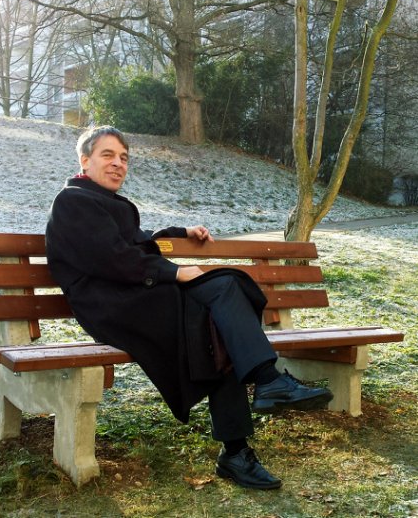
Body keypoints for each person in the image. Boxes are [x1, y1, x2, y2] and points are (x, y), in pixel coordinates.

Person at [46, 125, 333, 490]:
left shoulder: (101, 201)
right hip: (111, 306)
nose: (118, 164)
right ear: (84, 160)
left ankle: (238, 446)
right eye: (108, 155)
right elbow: (112, 260)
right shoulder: (73, 201)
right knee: (225, 294)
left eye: (124, 158)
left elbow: (134, 246)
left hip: (135, 298)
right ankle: (265, 385)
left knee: (218, 327)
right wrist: (176, 272)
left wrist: (180, 232)